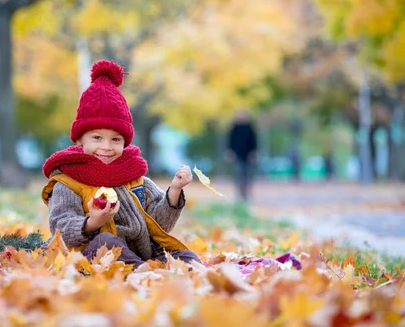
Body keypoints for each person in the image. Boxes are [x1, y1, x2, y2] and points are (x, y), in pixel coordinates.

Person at [41, 60, 200, 269]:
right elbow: (60, 227)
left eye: (116, 140)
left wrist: (175, 191)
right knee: (106, 243)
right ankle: (139, 271)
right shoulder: (68, 181)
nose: (106, 147)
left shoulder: (134, 178)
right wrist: (93, 223)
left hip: (140, 252)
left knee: (186, 255)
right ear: (80, 140)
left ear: (125, 142)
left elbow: (159, 225)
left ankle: (153, 269)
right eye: (97, 138)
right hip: (91, 253)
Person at [226, 109, 258, 201]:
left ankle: (247, 194)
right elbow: (230, 141)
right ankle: (239, 194)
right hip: (237, 155)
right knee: (238, 174)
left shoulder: (250, 128)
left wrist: (253, 153)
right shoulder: (234, 128)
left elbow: (253, 142)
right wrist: (230, 152)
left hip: (248, 156)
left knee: (248, 175)